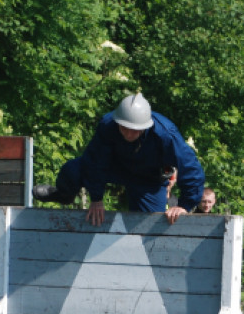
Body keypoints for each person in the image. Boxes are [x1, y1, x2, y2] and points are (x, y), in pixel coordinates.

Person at [33, 92, 204, 226]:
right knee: (73, 170)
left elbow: (191, 169)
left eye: (135, 130)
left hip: (148, 179)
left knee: (153, 227)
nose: (129, 134)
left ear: (145, 127)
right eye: (124, 128)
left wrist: (185, 205)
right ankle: (63, 195)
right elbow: (94, 161)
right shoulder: (108, 125)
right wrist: (96, 198)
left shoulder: (166, 135)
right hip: (115, 168)